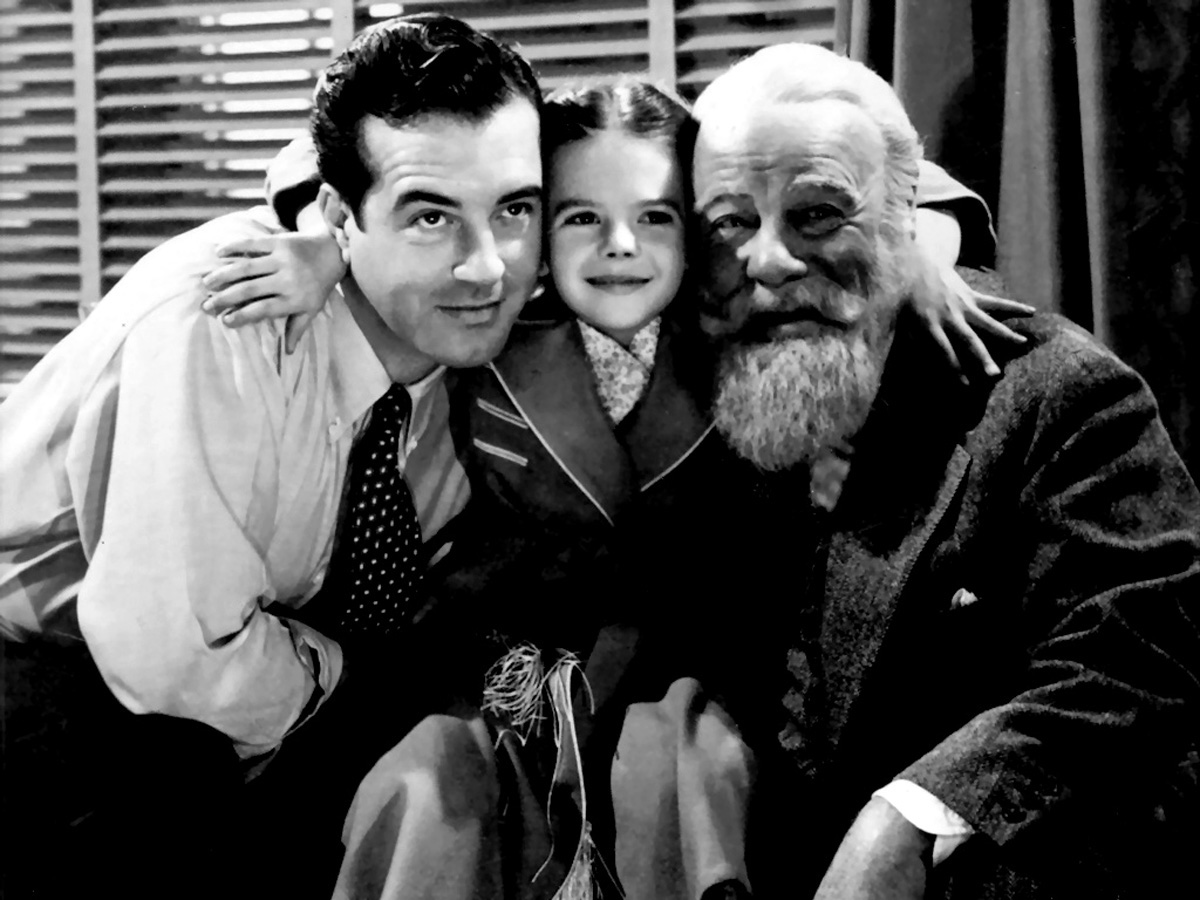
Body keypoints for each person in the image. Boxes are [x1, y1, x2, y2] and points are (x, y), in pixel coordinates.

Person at [206, 72, 1033, 900]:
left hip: (682, 677)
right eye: (580, 218)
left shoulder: (738, 328)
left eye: (656, 217)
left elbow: (896, 171)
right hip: (498, 676)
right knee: (426, 791)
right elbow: (341, 159)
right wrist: (327, 247)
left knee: (687, 777)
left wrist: (919, 251)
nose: (621, 246)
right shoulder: (484, 327)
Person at [0, 14, 544, 900]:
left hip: (259, 676)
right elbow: (173, 659)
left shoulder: (478, 346)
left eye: (515, 209)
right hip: (52, 672)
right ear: (338, 217)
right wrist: (352, 686)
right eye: (430, 217)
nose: (487, 267)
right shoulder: (228, 313)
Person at [681, 43, 1200, 899]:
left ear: (904, 223)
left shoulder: (1057, 396)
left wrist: (915, 813)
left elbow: (1135, 658)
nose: (767, 258)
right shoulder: (695, 386)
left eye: (817, 215)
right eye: (730, 224)